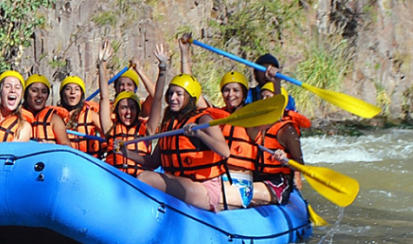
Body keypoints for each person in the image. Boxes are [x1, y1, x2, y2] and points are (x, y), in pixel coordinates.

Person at [117, 74, 238, 212]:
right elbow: (153, 162)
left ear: (190, 97)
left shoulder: (203, 120)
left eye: (178, 94)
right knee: (143, 176)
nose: (172, 98)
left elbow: (225, 151)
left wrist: (199, 134)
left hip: (204, 189)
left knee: (145, 178)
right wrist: (126, 153)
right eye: (171, 93)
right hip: (179, 183)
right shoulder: (169, 124)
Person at [98, 41, 167, 176]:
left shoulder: (147, 129)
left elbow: (157, 99)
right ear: (117, 110)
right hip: (115, 179)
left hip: (138, 181)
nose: (128, 112)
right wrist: (102, 64)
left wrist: (163, 68)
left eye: (132, 108)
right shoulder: (110, 128)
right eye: (123, 108)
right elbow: (104, 97)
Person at [252, 82, 305, 205]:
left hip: (278, 183)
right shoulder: (255, 127)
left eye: (268, 97)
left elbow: (300, 163)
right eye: (262, 97)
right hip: (256, 179)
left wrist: (285, 160)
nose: (264, 100)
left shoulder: (287, 130)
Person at [219, 70, 260, 209]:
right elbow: (193, 94)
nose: (230, 94)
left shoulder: (251, 119)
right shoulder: (217, 117)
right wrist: (184, 55)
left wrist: (275, 82)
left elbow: (275, 113)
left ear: (244, 94)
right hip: (217, 179)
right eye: (226, 90)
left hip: (240, 185)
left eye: (236, 90)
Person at [59, 75, 103, 158]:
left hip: (88, 161)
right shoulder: (56, 116)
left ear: (81, 94)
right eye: (68, 89)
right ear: (62, 93)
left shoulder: (91, 115)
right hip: (64, 160)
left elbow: (108, 133)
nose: (72, 92)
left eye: (77, 89)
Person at [22, 74, 71, 146]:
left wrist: (51, 146)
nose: (39, 95)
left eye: (44, 92)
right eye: (34, 91)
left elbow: (66, 144)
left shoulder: (54, 119)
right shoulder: (16, 116)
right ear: (26, 93)